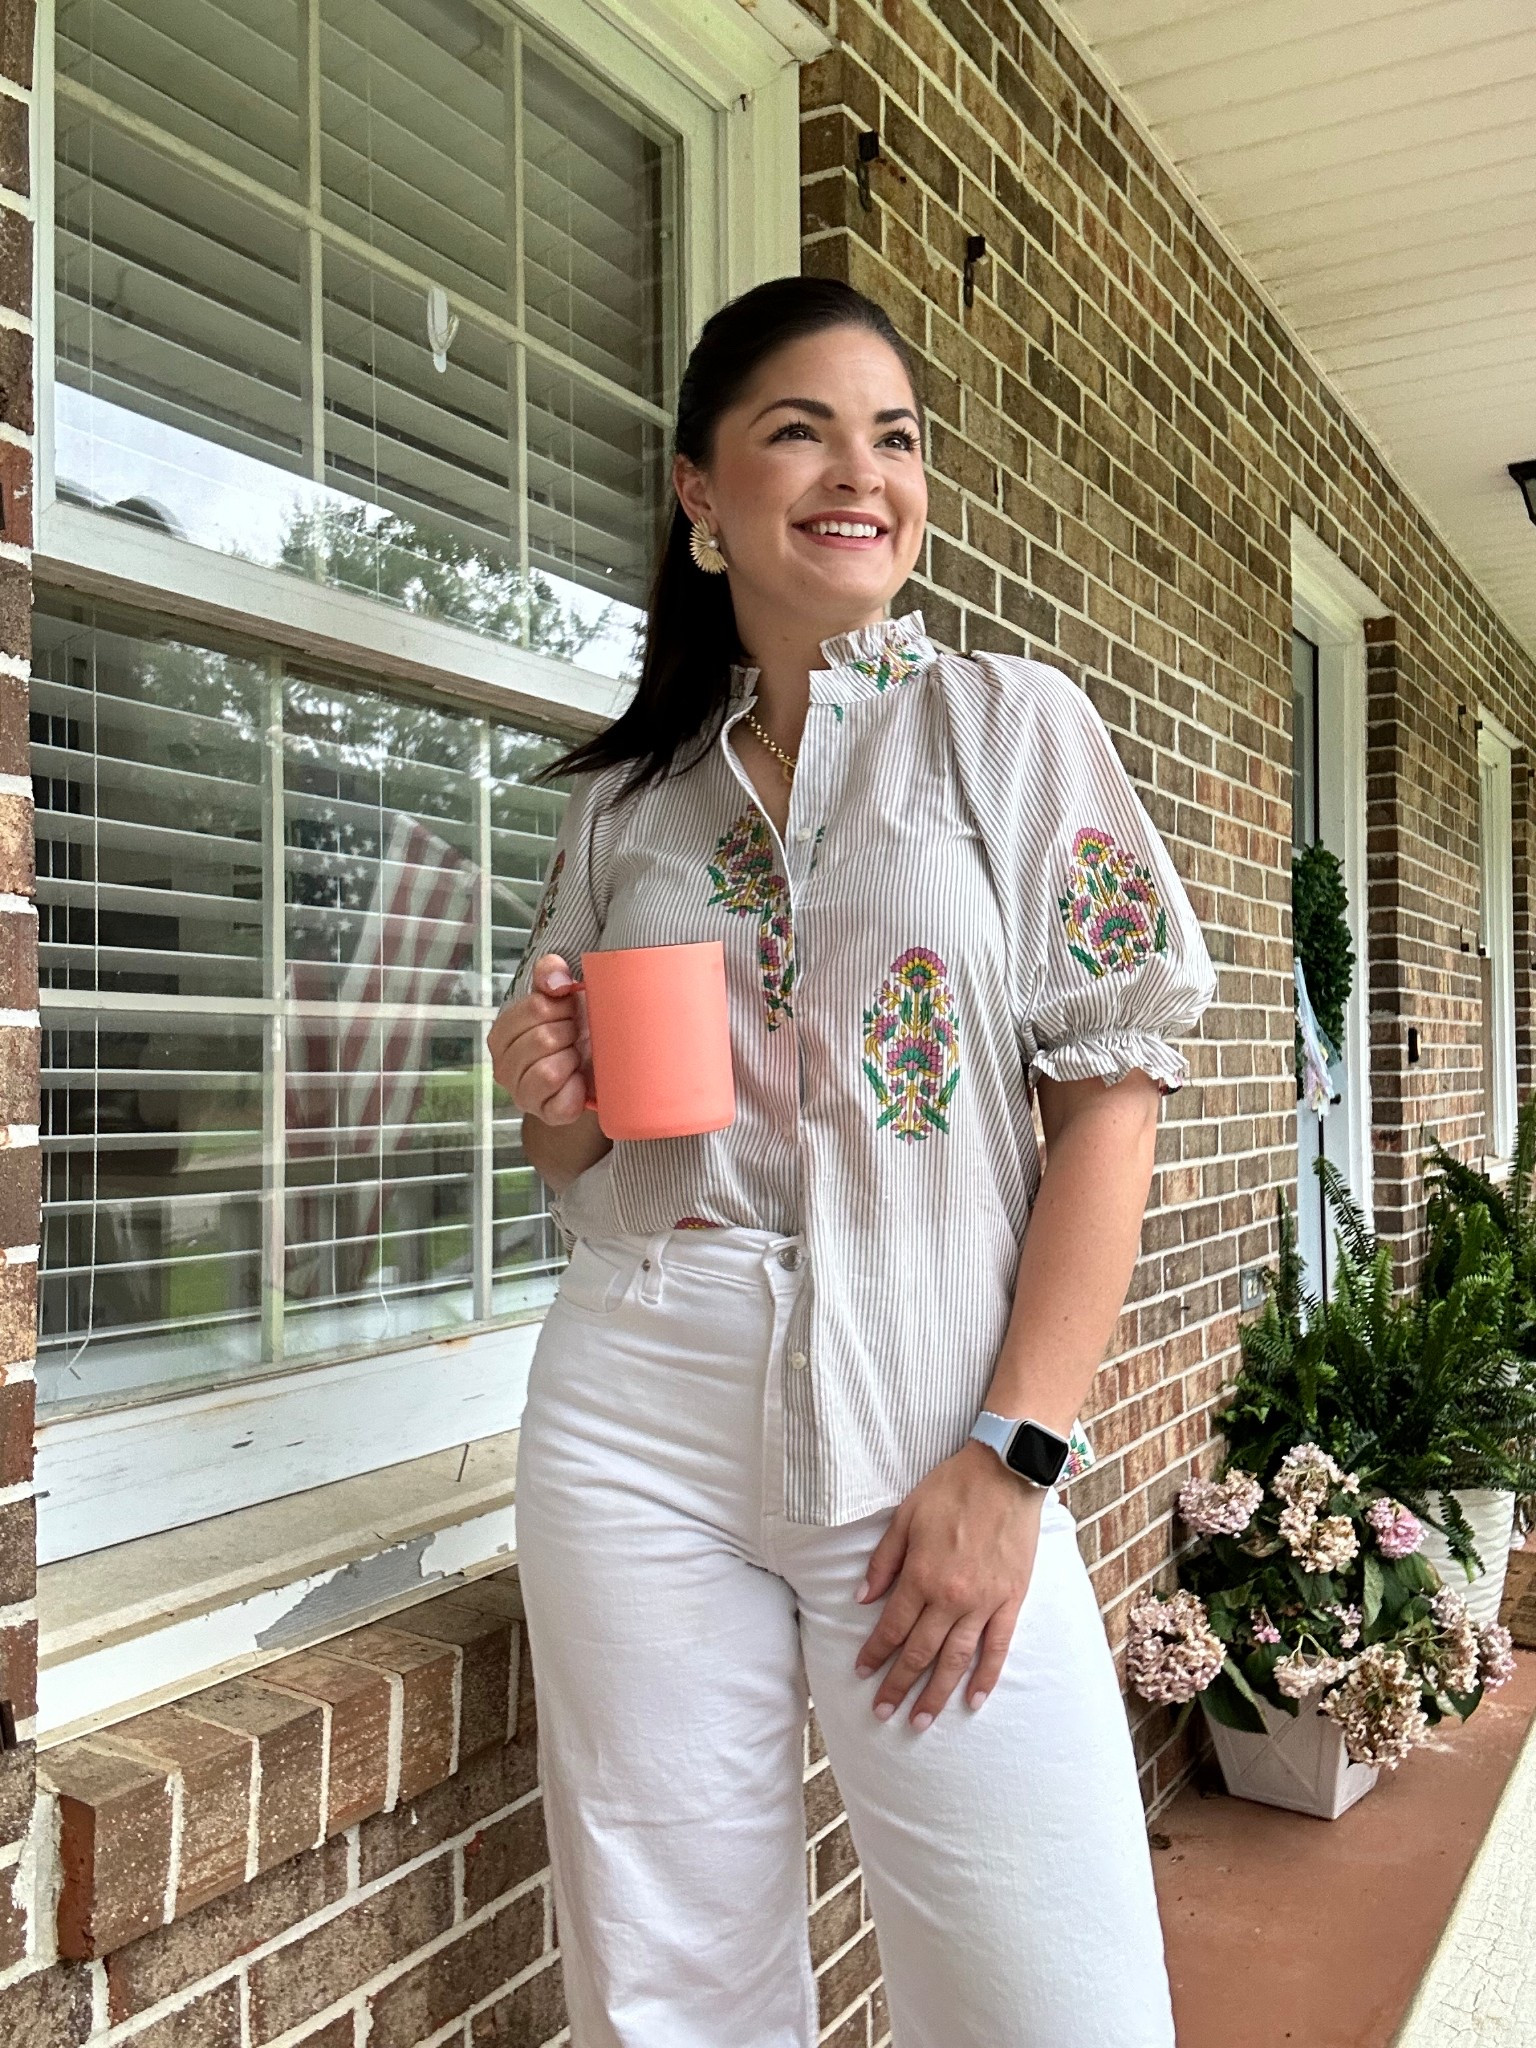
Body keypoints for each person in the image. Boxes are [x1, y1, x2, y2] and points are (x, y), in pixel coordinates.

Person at [487, 275, 1216, 2048]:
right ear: (700, 492)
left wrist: (1015, 1454)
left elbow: (1110, 1097)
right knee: (669, 1981)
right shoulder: (627, 804)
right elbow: (592, 1172)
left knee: (1051, 1991)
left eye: (892, 436)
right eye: (799, 428)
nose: (859, 471)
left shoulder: (1007, 727)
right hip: (634, 1404)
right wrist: (542, 1090)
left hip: (926, 1420)